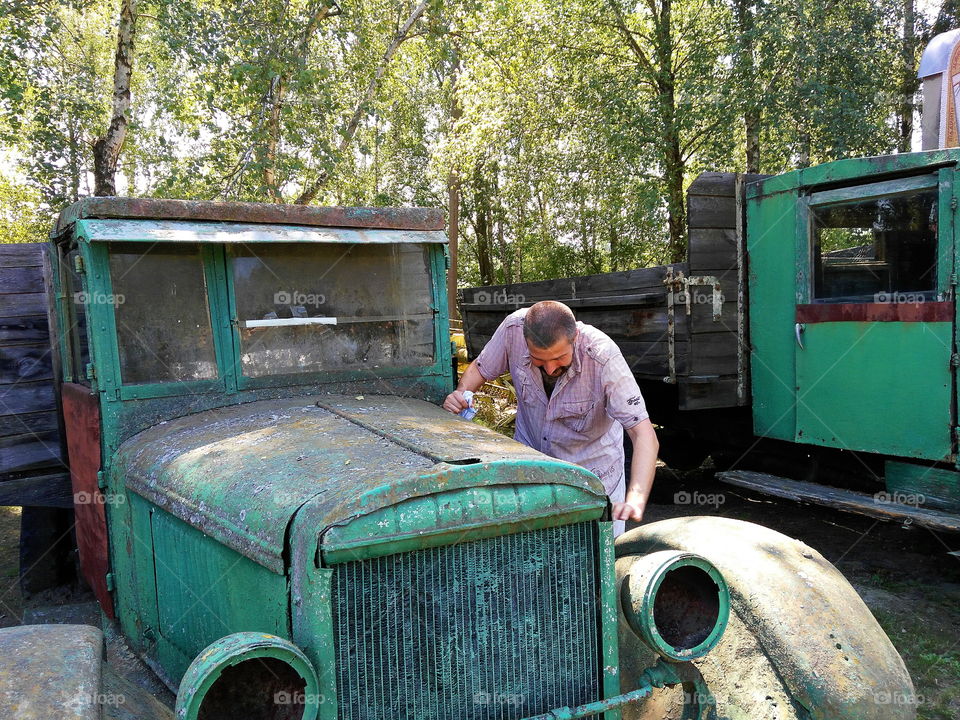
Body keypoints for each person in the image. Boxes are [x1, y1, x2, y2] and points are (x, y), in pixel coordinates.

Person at [444, 300, 658, 535]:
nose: (549, 368)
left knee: (596, 553)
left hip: (593, 480)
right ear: (525, 341)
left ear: (575, 337)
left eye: (559, 358)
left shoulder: (603, 356)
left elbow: (643, 433)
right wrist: (461, 394)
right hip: (530, 474)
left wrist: (636, 499)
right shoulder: (513, 329)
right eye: (539, 359)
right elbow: (480, 369)